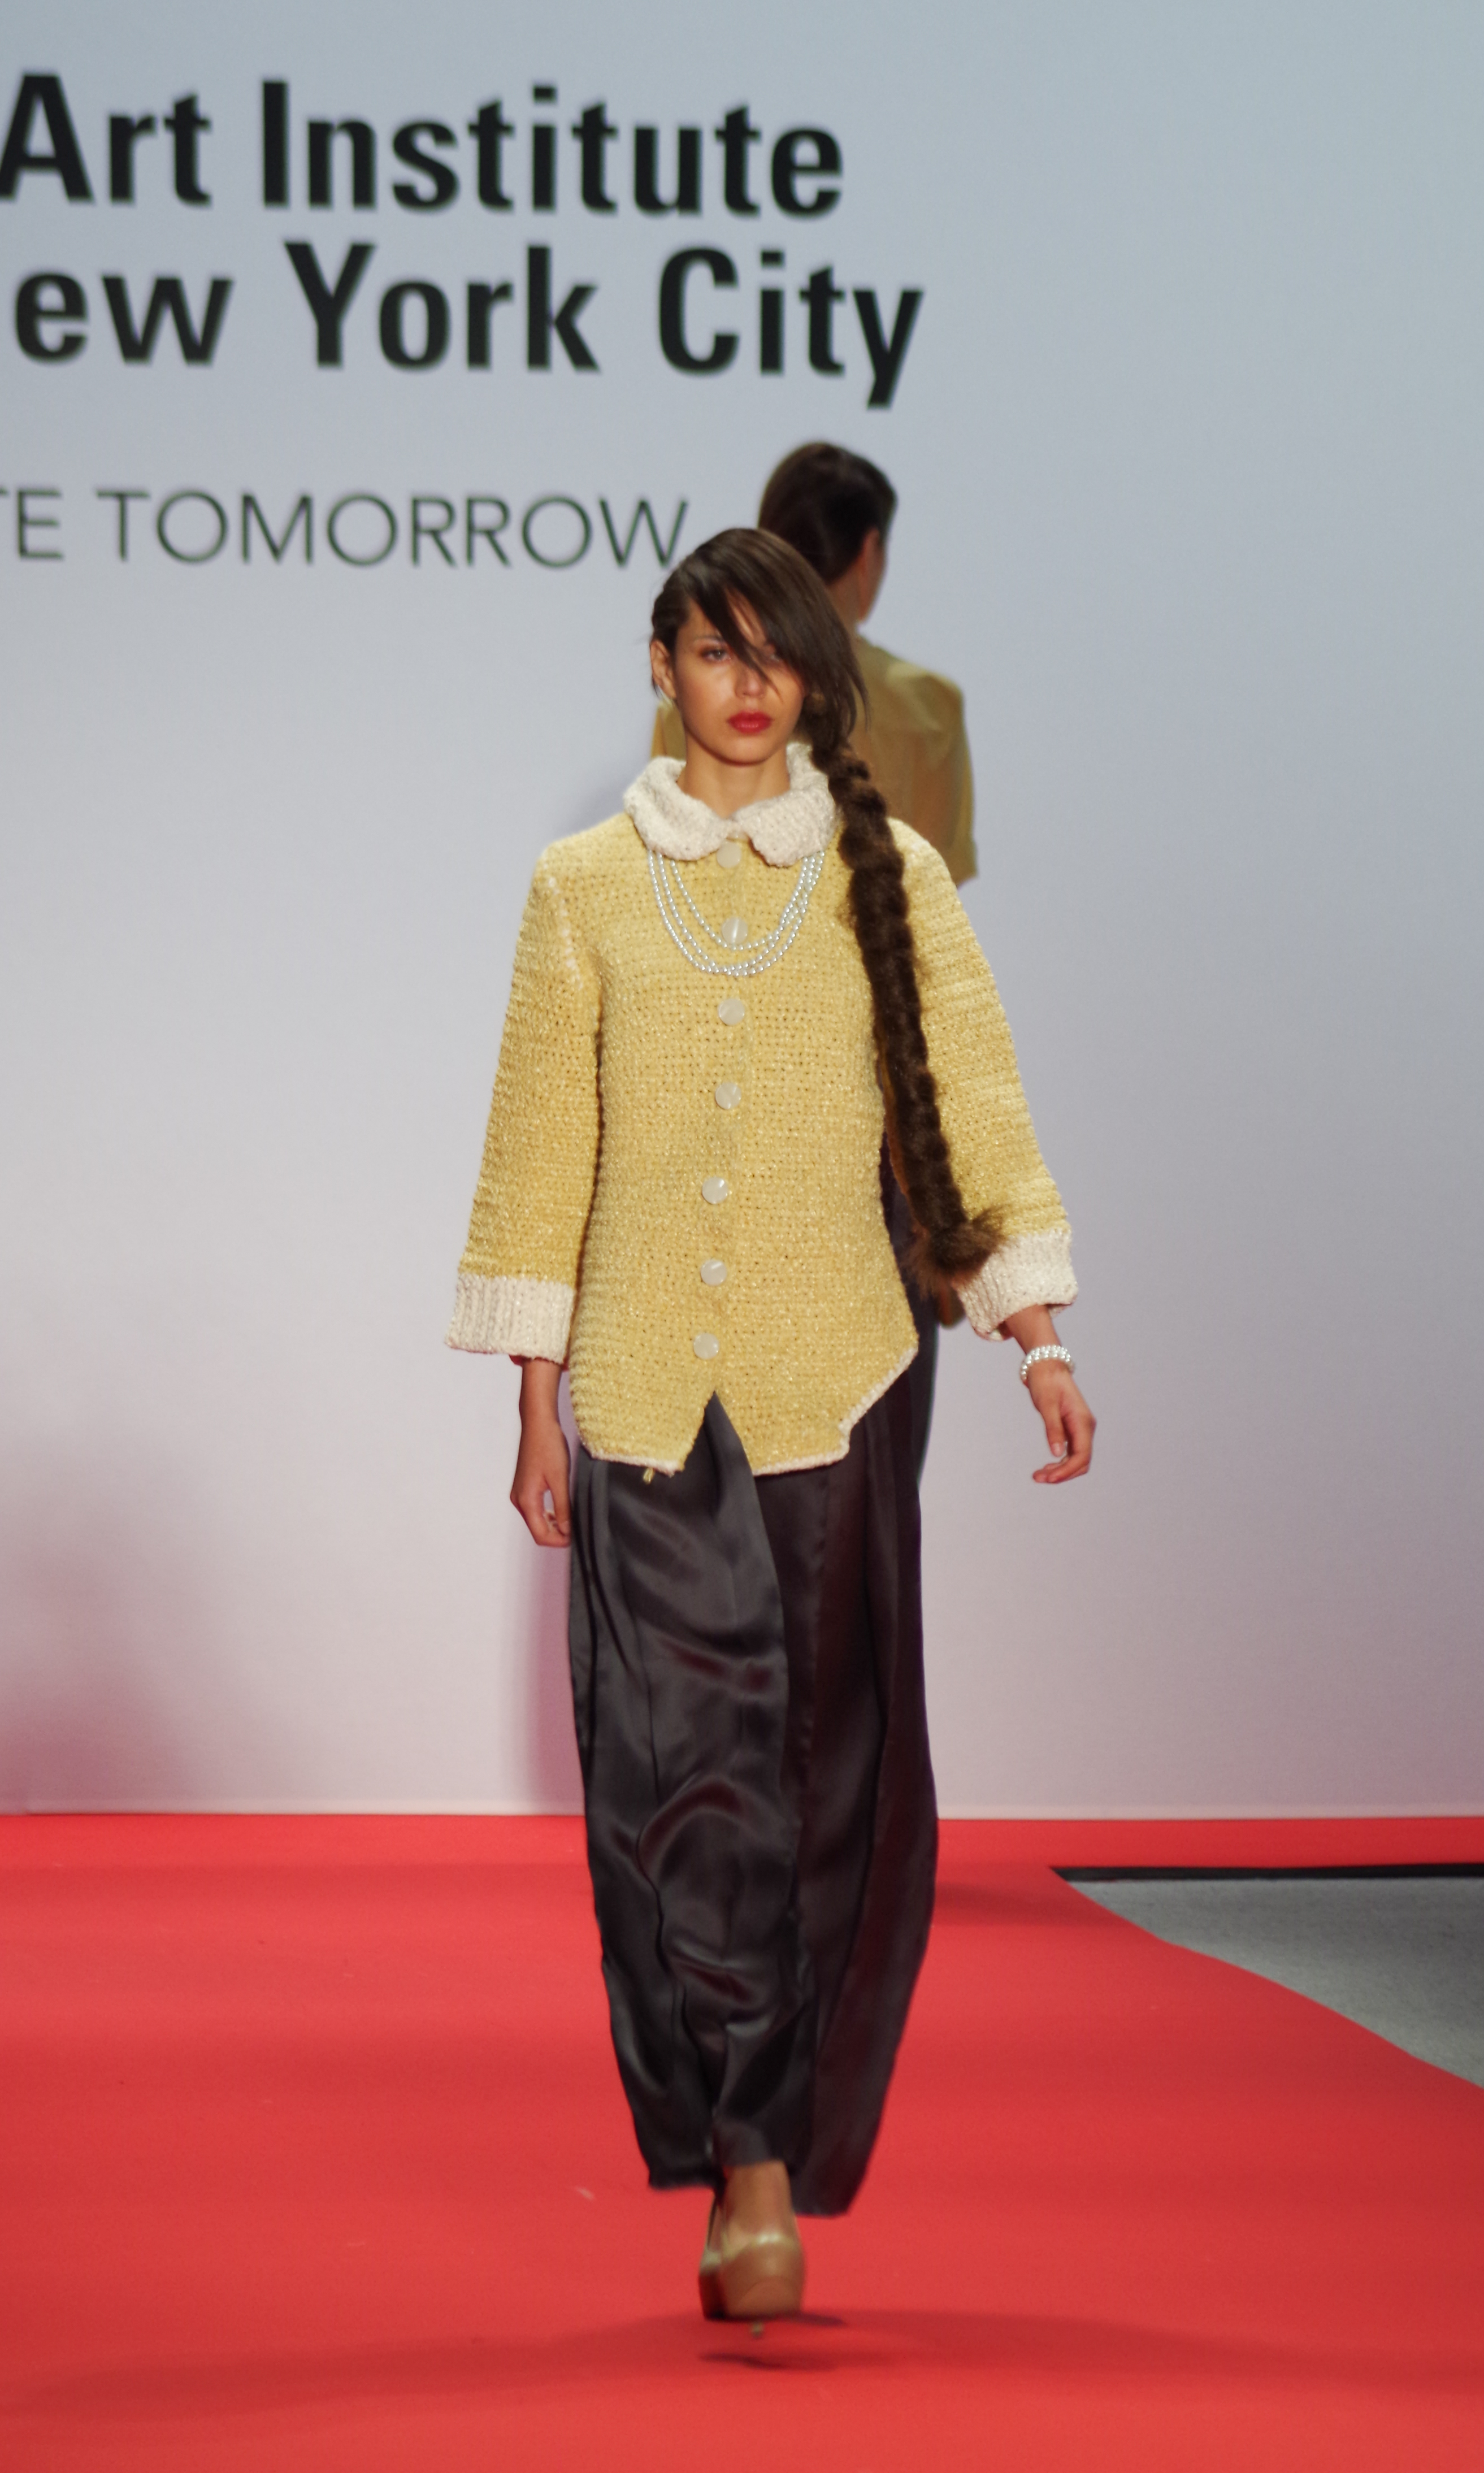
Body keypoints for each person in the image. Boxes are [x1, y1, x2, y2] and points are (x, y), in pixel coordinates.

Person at [449, 530, 1092, 2323]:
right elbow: (539, 1146)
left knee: (820, 1777)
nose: (747, 684)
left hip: (843, 1382)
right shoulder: (581, 887)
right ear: (658, 664)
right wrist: (534, 1402)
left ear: (814, 675)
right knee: (670, 1788)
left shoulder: (891, 877)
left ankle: (767, 2164)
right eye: (715, 650)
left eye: (777, 653)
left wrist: (1035, 1336)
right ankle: (736, 2147)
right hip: (641, 1390)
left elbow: (969, 1103)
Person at [653, 445, 974, 1477]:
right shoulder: (926, 707)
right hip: (878, 1106)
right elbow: (933, 955)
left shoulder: (697, 696)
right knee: (872, 1452)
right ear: (867, 553)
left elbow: (677, 907)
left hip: (732, 1096)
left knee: (725, 1446)